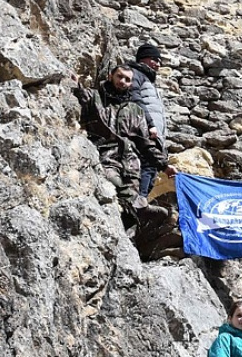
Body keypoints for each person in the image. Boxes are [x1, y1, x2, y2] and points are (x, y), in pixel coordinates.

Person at [72, 65, 173, 227]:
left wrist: (165, 166)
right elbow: (78, 95)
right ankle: (139, 209)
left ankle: (133, 229)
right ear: (111, 76)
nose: (123, 81)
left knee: (129, 213)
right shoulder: (94, 97)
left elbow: (145, 143)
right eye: (120, 77)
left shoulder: (136, 110)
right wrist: (75, 85)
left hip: (131, 165)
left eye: (127, 79)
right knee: (116, 189)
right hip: (105, 157)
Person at [128, 43, 168, 199]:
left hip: (154, 133)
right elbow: (135, 98)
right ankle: (139, 203)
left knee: (151, 171)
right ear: (143, 58)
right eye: (155, 60)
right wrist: (150, 124)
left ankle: (141, 203)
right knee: (146, 166)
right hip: (145, 129)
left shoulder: (148, 81)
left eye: (160, 62)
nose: (158, 65)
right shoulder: (135, 73)